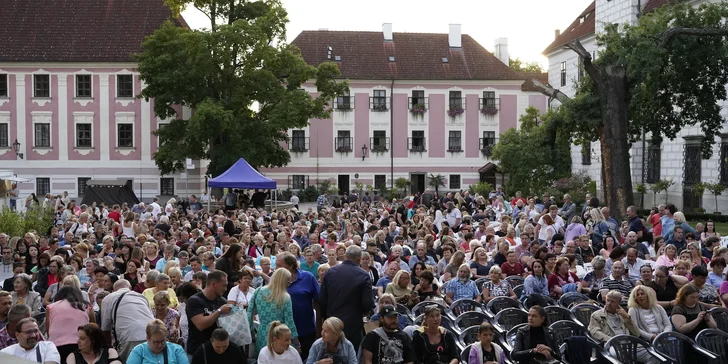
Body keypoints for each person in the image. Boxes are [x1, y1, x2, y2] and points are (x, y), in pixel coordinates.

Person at [319, 246, 374, 350]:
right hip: (353, 324)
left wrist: (326, 317)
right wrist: (364, 312)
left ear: (345, 256)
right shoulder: (363, 275)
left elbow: (322, 299)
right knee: (351, 355)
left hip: (332, 322)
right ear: (359, 258)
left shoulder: (330, 272)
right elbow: (367, 303)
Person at [276, 252, 319, 360]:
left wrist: (318, 328)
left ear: (291, 266)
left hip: (305, 331)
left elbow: (318, 303)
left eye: (279, 266)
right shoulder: (275, 279)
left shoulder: (308, 277)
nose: (276, 268)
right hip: (282, 333)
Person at [247, 268, 299, 357]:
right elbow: (289, 322)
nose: (289, 285)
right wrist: (297, 343)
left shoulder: (258, 291)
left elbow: (249, 314)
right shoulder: (285, 297)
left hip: (263, 333)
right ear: (282, 281)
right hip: (280, 335)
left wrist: (251, 332)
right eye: (288, 282)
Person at [100, 280, 154, 363]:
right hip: (152, 335)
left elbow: (105, 329)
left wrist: (110, 349)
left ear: (114, 290)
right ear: (130, 288)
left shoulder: (108, 298)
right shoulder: (141, 297)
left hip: (130, 338)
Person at [186, 271, 232, 355]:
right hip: (198, 351)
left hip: (217, 351)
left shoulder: (222, 301)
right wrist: (219, 311)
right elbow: (201, 325)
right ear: (214, 284)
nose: (225, 289)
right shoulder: (194, 301)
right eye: (223, 285)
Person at [47, 286, 93, 364]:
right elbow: (93, 327)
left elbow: (48, 329)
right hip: (81, 344)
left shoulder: (51, 307)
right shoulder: (86, 306)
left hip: (56, 346)